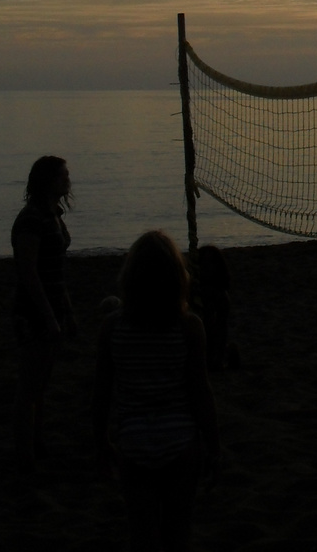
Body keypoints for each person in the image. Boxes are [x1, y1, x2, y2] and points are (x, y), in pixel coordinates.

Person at [95, 230, 220, 552]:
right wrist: (213, 441)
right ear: (177, 278)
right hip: (180, 440)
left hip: (133, 440)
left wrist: (99, 439)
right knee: (178, 529)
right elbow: (200, 389)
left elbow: (102, 391)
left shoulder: (112, 327)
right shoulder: (189, 326)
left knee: (142, 532)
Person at [12, 155, 77, 471]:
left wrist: (67, 311)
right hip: (34, 311)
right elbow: (29, 272)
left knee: (42, 384)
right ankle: (25, 454)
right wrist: (49, 316)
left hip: (53, 307)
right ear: (48, 179)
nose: (68, 180)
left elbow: (56, 270)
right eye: (63, 175)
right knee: (29, 385)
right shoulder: (31, 218)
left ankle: (36, 444)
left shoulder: (53, 215)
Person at [194, 245, 236, 371]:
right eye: (204, 263)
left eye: (211, 263)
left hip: (210, 340)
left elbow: (222, 329)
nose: (207, 267)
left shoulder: (220, 296)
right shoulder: (193, 291)